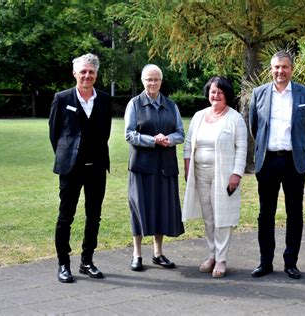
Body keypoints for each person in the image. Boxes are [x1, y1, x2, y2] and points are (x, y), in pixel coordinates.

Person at [249, 51, 305, 279]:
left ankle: (291, 262)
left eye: (285, 67)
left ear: (292, 69)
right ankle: (265, 262)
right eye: (276, 67)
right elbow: (255, 127)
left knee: (294, 213)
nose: (280, 71)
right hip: (267, 161)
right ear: (271, 69)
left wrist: (299, 148)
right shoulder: (259, 94)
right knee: (265, 214)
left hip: (293, 162)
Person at [49, 53, 112, 283]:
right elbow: (55, 134)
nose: (87, 75)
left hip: (96, 167)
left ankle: (87, 262)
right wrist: (68, 156)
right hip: (70, 169)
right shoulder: (62, 98)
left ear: (96, 75)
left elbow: (104, 131)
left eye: (91, 72)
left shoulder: (104, 100)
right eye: (83, 71)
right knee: (66, 217)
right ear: (75, 73)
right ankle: (63, 264)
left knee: (94, 217)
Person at [182, 76, 247, 278]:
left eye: (220, 92)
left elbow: (242, 148)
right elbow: (187, 145)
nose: (215, 95)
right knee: (209, 217)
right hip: (200, 172)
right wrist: (187, 169)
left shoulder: (235, 118)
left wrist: (236, 174)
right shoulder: (199, 116)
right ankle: (211, 254)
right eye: (212, 91)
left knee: (222, 217)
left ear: (226, 94)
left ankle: (221, 259)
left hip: (224, 175)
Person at [124, 64, 185, 272]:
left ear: (161, 81)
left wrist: (168, 139)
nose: (152, 83)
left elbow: (180, 134)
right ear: (143, 81)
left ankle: (158, 253)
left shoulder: (171, 105)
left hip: (165, 168)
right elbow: (129, 134)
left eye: (156, 79)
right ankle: (137, 254)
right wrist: (153, 140)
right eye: (149, 79)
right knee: (139, 209)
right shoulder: (134, 104)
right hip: (141, 167)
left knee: (161, 209)